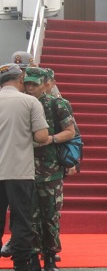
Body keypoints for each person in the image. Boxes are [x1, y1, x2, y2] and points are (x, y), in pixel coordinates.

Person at [24, 67, 77, 271]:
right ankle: (32, 256)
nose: (30, 88)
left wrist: (50, 140)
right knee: (30, 215)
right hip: (24, 168)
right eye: (27, 83)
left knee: (50, 216)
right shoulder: (21, 103)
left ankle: (50, 256)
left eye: (34, 84)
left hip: (49, 170)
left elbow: (70, 132)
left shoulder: (58, 104)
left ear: (46, 84)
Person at [0, 63, 49, 271]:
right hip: (19, 171)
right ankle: (21, 264)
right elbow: (42, 136)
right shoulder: (30, 102)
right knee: (21, 220)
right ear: (20, 79)